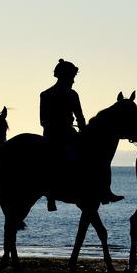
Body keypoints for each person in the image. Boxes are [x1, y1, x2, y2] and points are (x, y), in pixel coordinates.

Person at [39, 59, 122, 211]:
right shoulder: (57, 95)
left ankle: (102, 191)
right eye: (72, 77)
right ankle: (54, 195)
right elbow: (78, 119)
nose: (73, 80)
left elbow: (77, 117)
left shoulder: (51, 94)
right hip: (56, 134)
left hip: (62, 132)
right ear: (65, 76)